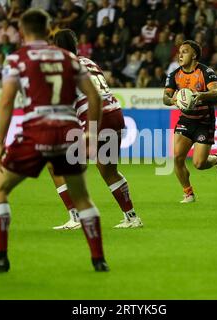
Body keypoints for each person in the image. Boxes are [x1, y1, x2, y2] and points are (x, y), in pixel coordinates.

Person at [0, 9, 109, 273]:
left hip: (36, 132)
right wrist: (90, 133)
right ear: (49, 32)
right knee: (83, 198)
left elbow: (6, 102)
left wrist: (0, 143)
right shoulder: (69, 59)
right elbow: (95, 97)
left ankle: (0, 256)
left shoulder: (17, 59)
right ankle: (98, 259)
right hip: (69, 132)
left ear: (21, 32)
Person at [50, 29, 143, 230]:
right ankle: (132, 217)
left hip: (96, 119)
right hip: (115, 114)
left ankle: (75, 217)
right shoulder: (89, 62)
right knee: (108, 170)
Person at [163, 40, 217, 203]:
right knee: (177, 158)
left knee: (199, 164)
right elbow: (165, 97)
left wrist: (201, 95)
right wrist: (173, 100)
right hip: (186, 120)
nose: (180, 54)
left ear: (194, 55)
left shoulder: (206, 72)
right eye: (179, 52)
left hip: (205, 122)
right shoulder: (174, 74)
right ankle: (188, 193)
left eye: (185, 51)